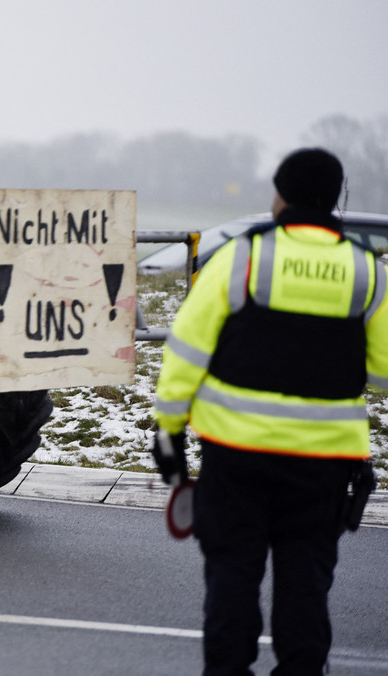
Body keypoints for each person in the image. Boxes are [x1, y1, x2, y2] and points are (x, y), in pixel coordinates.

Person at [151, 147, 385, 675]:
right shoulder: (366, 273)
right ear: (333, 198)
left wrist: (168, 430)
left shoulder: (244, 258)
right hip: (323, 466)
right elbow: (384, 372)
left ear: (280, 196)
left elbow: (187, 349)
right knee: (306, 583)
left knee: (233, 575)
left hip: (237, 457)